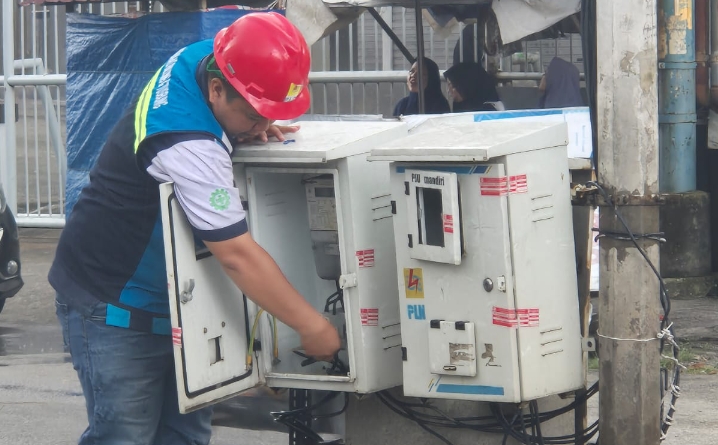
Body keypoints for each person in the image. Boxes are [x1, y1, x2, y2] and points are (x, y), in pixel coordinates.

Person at [49, 12, 341, 445]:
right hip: (114, 303)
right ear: (217, 90)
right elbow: (236, 255)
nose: (263, 128)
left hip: (178, 306)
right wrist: (312, 326)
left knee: (186, 435)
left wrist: (250, 121)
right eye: (254, 115)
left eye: (268, 116)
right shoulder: (185, 139)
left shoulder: (210, 58)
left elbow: (235, 108)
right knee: (124, 437)